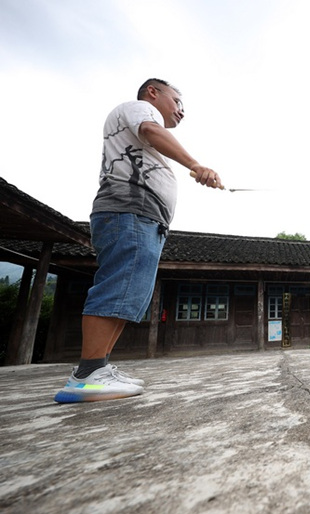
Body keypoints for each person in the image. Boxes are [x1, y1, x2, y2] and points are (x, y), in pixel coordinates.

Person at [54, 78, 221, 403]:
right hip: (129, 209)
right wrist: (195, 164)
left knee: (129, 290)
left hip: (144, 216)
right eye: (177, 102)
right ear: (153, 92)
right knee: (118, 284)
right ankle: (86, 376)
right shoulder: (140, 109)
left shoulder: (143, 121)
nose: (181, 111)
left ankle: (97, 367)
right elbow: (151, 130)